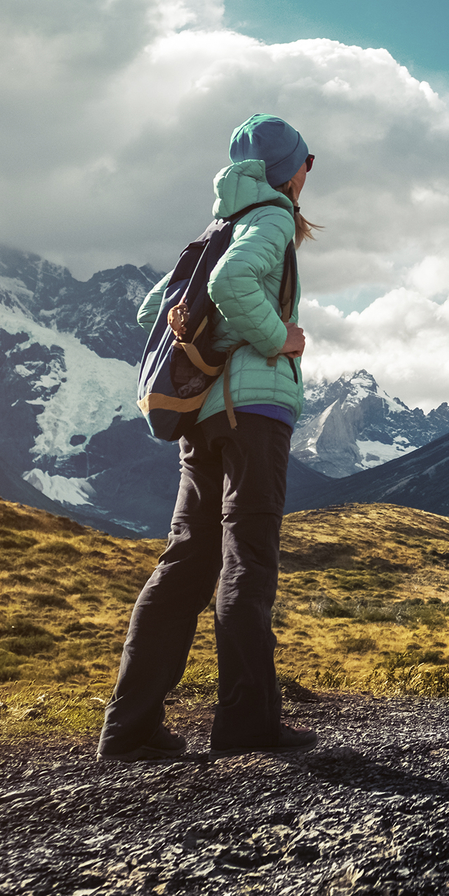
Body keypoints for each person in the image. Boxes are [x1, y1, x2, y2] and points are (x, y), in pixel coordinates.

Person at [97, 114, 318, 762]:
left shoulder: (215, 226)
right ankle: (246, 721)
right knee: (248, 554)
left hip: (203, 416)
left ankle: (129, 724)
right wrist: (279, 337)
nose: (309, 173)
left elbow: (153, 310)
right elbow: (227, 285)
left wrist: (211, 330)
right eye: (309, 161)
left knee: (188, 559)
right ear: (288, 169)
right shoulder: (272, 217)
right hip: (255, 410)